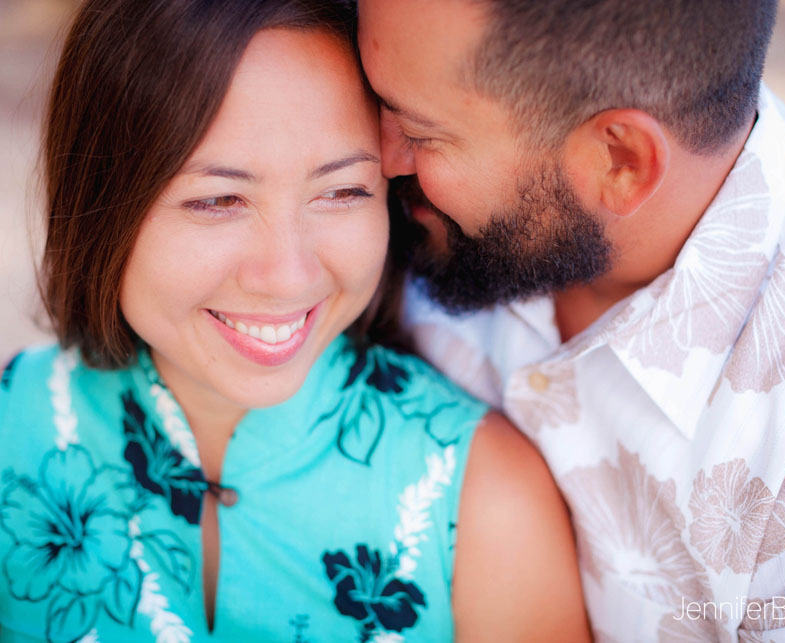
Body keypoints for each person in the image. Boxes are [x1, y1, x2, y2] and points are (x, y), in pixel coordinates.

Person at [0, 1, 591, 641]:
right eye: (219, 200)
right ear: (99, 202)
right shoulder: (13, 425)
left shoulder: (484, 501)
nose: (288, 275)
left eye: (343, 191)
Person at [357, 0, 785, 639]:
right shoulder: (475, 165)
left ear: (619, 161)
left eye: (420, 134)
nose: (377, 156)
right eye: (375, 100)